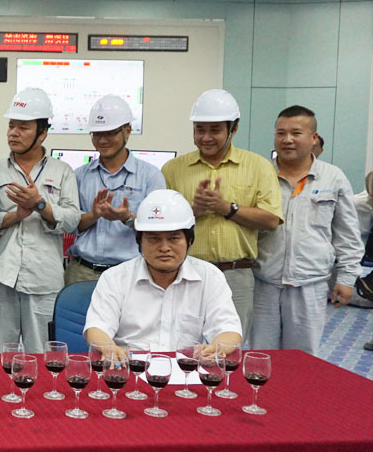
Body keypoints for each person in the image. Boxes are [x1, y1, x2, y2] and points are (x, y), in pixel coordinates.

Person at [161, 88, 282, 340]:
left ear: (233, 129)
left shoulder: (258, 166)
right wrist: (194, 211)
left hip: (237, 275)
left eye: (215, 130)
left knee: (229, 346)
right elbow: (159, 225)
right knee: (182, 344)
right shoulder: (173, 169)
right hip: (186, 272)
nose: (206, 137)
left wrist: (227, 208)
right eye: (199, 130)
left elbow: (271, 219)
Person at [252, 106, 363, 355]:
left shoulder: (332, 178)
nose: (287, 139)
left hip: (310, 285)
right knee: (260, 357)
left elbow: (347, 234)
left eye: (296, 133)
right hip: (263, 284)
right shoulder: (260, 175)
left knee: (302, 359)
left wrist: (346, 279)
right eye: (281, 133)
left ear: (314, 138)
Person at [84, 189, 243, 352]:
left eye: (174, 238)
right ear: (140, 242)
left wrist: (216, 350)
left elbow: (229, 330)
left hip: (185, 364)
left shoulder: (210, 276)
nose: (164, 248)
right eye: (154, 239)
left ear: (189, 241)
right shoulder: (115, 278)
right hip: (129, 363)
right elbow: (97, 328)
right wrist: (109, 349)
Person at [0, 88, 80, 353]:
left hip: (44, 278)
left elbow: (72, 220)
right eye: (11, 126)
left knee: (42, 353)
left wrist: (40, 205)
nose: (13, 133)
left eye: (23, 127)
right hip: (2, 276)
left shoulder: (62, 172)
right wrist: (16, 215)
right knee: (1, 352)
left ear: (42, 133)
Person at [65, 95, 166, 285]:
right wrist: (94, 215)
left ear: (127, 131)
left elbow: (159, 228)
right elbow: (70, 225)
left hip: (129, 274)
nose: (102, 140)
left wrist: (127, 217)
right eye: (97, 134)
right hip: (82, 272)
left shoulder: (150, 176)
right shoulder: (78, 176)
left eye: (110, 133)